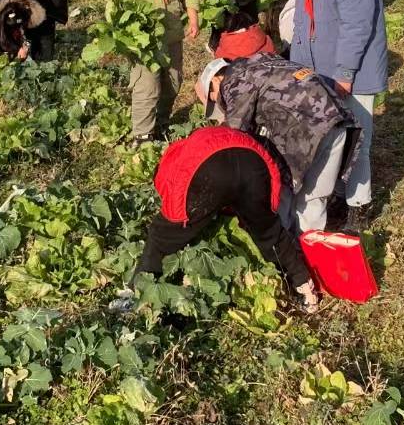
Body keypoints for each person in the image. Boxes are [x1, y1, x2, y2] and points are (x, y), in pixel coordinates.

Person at [112, 125, 319, 315]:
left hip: (210, 168)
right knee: (269, 232)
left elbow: (175, 200)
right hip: (253, 162)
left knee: (161, 234)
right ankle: (305, 289)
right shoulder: (198, 138)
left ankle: (135, 293)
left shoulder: (171, 161)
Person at [275, 0, 387, 231]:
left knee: (357, 138)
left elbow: (357, 23)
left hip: (354, 68)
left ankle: (359, 207)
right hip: (324, 66)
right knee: (335, 137)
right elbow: (308, 18)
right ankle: (341, 192)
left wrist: (345, 74)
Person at [199, 53, 361, 238]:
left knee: (281, 189)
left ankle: (285, 251)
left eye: (213, 98)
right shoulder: (262, 60)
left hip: (305, 130)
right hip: (335, 118)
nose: (219, 104)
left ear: (216, 80)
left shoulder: (234, 79)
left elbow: (234, 134)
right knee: (315, 197)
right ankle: (309, 252)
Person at [100, 0, 199, 142]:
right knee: (148, 85)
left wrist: (193, 15)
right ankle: (143, 135)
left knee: (173, 82)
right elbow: (113, 5)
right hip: (142, 40)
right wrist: (129, 26)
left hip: (172, 33)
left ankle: (161, 124)